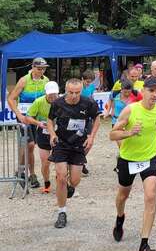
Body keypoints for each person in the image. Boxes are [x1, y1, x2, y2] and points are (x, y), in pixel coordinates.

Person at [109, 76, 156, 251]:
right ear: (143, 91)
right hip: (128, 159)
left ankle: (144, 244)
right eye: (151, 91)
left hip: (150, 158)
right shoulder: (130, 110)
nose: (154, 95)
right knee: (122, 196)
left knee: (150, 196)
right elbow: (112, 134)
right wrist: (129, 132)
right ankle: (120, 217)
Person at [47, 78, 101, 228]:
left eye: (77, 92)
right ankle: (62, 212)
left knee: (75, 180)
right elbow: (50, 121)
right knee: (61, 177)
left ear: (81, 91)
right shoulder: (57, 103)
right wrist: (52, 134)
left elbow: (97, 118)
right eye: (71, 92)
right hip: (61, 143)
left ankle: (70, 186)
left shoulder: (88, 103)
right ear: (66, 90)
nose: (74, 95)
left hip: (78, 144)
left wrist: (91, 136)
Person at [7, 57, 49, 188]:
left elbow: (48, 99)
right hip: (24, 116)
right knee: (29, 144)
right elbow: (11, 99)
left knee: (31, 146)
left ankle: (29, 173)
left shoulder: (46, 80)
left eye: (43, 69)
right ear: (33, 67)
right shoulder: (24, 80)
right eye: (39, 68)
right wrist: (18, 114)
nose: (41, 71)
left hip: (37, 118)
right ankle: (23, 172)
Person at [24, 81, 59, 193]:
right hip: (43, 133)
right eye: (50, 94)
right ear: (45, 92)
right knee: (45, 162)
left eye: (55, 94)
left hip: (58, 133)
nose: (53, 97)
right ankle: (46, 183)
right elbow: (28, 117)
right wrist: (38, 123)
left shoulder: (62, 101)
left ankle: (61, 182)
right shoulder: (39, 101)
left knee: (60, 161)